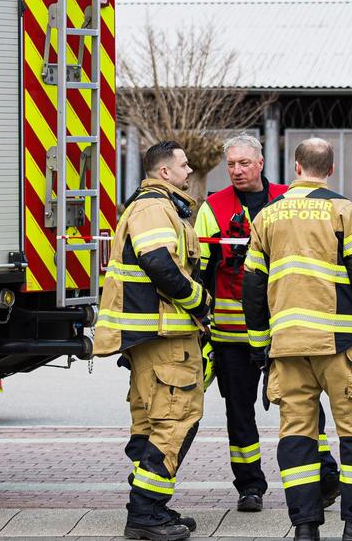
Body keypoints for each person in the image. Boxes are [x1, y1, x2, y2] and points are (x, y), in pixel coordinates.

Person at [242, 137, 352, 541]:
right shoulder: (342, 210)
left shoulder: (267, 216)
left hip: (285, 347)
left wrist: (257, 345)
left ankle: (305, 528)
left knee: (297, 436)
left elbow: (252, 287)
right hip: (337, 345)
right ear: (330, 171)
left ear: (296, 168)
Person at [195, 134, 342, 513]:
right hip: (231, 333)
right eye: (231, 164)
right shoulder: (212, 208)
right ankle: (249, 486)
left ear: (260, 163)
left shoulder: (287, 198)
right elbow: (202, 270)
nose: (237, 171)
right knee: (238, 412)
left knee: (305, 405)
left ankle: (325, 477)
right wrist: (200, 318)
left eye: (244, 163)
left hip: (284, 327)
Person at [93, 141, 210, 541]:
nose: (189, 169)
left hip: (156, 334)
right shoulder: (155, 207)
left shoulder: (155, 205)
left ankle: (151, 506)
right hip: (164, 335)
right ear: (164, 172)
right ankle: (145, 514)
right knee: (175, 420)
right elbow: (158, 261)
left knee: (154, 420)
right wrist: (197, 299)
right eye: (183, 164)